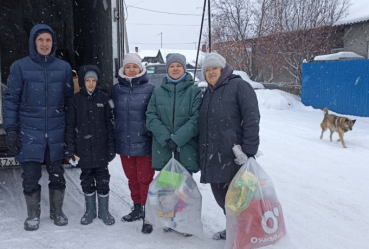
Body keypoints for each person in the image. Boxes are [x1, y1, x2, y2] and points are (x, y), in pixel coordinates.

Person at [3, 24, 73, 231]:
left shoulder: (64, 68)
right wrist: (11, 128)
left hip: (56, 129)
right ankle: (33, 215)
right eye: (41, 40)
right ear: (34, 42)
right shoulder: (20, 67)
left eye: (48, 40)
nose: (44, 44)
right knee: (31, 176)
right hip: (29, 129)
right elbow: (11, 99)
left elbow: (70, 102)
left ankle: (57, 211)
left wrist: (71, 132)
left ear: (53, 43)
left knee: (57, 173)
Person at [198, 52, 261, 240]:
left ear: (222, 69)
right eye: (207, 70)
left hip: (235, 155)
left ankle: (246, 232)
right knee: (222, 198)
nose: (210, 73)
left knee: (239, 198)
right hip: (214, 155)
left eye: (214, 69)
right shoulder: (208, 92)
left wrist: (248, 151)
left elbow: (252, 119)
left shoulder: (239, 86)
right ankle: (234, 228)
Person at [145, 53, 202, 234]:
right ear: (167, 69)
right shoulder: (158, 91)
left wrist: (177, 139)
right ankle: (169, 220)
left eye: (179, 66)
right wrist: (166, 137)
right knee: (168, 188)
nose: (175, 69)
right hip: (165, 148)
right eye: (172, 66)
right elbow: (150, 117)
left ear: (184, 69)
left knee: (184, 189)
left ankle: (184, 222)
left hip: (186, 148)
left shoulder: (194, 92)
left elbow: (196, 119)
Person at [66, 65, 116, 226]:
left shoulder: (103, 99)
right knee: (87, 180)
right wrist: (71, 149)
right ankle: (89, 211)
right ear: (82, 81)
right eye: (87, 80)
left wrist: (111, 147)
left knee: (103, 180)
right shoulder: (75, 100)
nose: (91, 84)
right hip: (83, 150)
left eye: (94, 80)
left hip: (101, 150)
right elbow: (70, 127)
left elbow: (109, 126)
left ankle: (104, 211)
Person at [112, 53, 156, 234]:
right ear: (123, 69)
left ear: (140, 68)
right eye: (128, 66)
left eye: (134, 66)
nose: (131, 69)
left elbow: (155, 114)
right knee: (132, 179)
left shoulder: (151, 89)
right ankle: (137, 207)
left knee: (145, 180)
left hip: (144, 143)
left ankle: (149, 215)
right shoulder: (116, 90)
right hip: (124, 143)